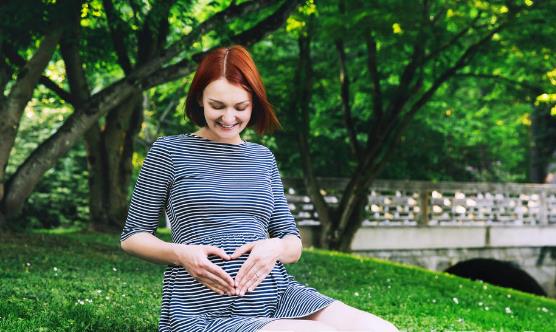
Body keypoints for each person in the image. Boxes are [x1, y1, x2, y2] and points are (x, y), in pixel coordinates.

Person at [120, 45, 399, 332]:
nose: (229, 118)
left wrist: (274, 247)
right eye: (217, 106)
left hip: (278, 296)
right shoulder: (169, 152)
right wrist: (181, 253)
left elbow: (292, 242)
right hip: (202, 307)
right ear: (199, 100)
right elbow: (133, 237)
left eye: (240, 107)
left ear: (255, 103)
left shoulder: (262, 157)